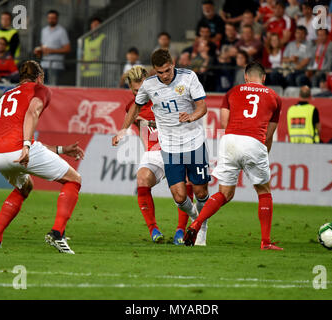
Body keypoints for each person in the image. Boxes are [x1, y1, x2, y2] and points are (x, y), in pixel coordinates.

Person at [112, 49, 211, 246]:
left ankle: (200, 224)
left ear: (172, 64)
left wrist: (192, 116)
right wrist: (123, 130)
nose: (164, 76)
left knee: (200, 192)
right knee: (179, 196)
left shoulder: (189, 77)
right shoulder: (149, 86)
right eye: (160, 72)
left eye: (167, 71)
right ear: (154, 71)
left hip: (193, 142)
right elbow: (135, 107)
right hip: (170, 147)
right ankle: (195, 220)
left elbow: (202, 107)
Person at [183, 61, 283, 251]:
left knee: (224, 194)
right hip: (254, 141)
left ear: (245, 77)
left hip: (229, 140)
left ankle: (196, 224)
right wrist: (263, 153)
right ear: (264, 78)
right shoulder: (274, 97)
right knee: (263, 191)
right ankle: (266, 241)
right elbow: (268, 134)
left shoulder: (232, 92)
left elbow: (224, 122)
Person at [0, 60, 84, 253]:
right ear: (39, 77)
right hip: (19, 150)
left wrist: (61, 150)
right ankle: (57, 233)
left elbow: (24, 137)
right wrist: (25, 147)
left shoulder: (6, 95)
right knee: (74, 179)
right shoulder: (40, 89)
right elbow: (33, 112)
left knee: (25, 186)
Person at [118, 65, 193, 245]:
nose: (140, 92)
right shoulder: (132, 106)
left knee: (182, 193)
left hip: (177, 150)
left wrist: (150, 121)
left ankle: (181, 231)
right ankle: (154, 230)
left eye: (142, 88)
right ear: (130, 89)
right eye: (136, 90)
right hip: (154, 153)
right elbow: (136, 125)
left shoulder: (167, 95)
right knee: (142, 178)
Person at [34, 10, 71, 85]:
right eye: (49, 18)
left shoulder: (61, 31)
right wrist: (39, 50)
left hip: (55, 64)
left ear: (57, 19)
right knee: (42, 86)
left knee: (53, 88)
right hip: (44, 64)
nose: (51, 20)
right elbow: (43, 45)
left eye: (53, 18)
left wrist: (52, 51)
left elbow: (67, 49)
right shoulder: (44, 30)